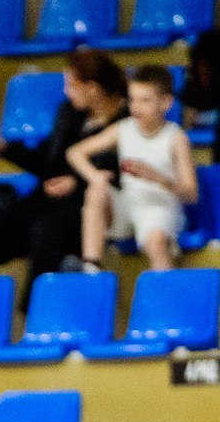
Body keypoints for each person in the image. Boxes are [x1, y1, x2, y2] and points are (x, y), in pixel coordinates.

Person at [0, 49, 124, 285]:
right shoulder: (69, 114)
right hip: (47, 202)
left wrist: (76, 182)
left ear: (93, 89)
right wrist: (0, 144)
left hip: (90, 209)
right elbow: (47, 163)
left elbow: (120, 171)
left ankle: (35, 314)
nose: (66, 92)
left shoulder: (125, 121)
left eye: (72, 85)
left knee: (47, 231)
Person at [71, 63, 192, 272]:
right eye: (133, 99)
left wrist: (157, 178)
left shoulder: (176, 137)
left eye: (145, 100)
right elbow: (75, 152)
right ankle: (91, 269)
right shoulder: (123, 129)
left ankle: (163, 295)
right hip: (127, 206)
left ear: (166, 103)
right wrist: (95, 176)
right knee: (96, 190)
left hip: (159, 207)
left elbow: (191, 193)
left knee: (155, 241)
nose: (136, 107)